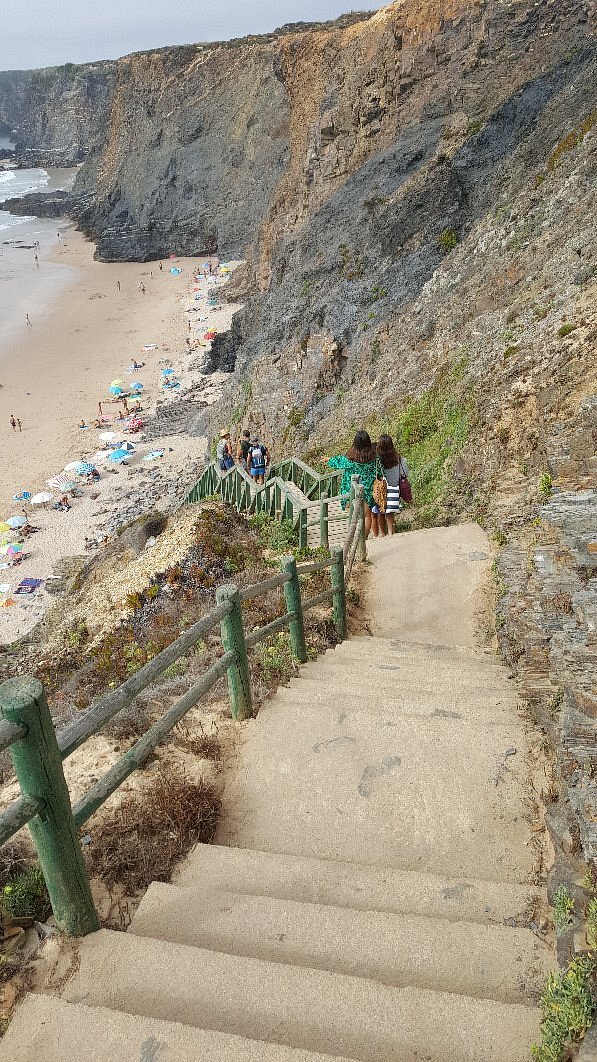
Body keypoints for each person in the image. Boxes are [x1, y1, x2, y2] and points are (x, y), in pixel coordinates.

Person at [327, 430, 378, 539]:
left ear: (355, 443)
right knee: (367, 516)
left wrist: (328, 460)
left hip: (350, 492)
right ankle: (363, 541)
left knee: (353, 517)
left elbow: (337, 461)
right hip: (367, 491)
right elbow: (379, 470)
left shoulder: (350, 459)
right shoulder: (374, 458)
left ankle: (355, 540)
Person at [376, 434, 409, 537]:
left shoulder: (378, 461)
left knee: (380, 511)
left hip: (382, 489)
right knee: (390, 512)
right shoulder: (399, 459)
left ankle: (383, 534)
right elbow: (404, 473)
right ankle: (391, 533)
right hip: (394, 488)